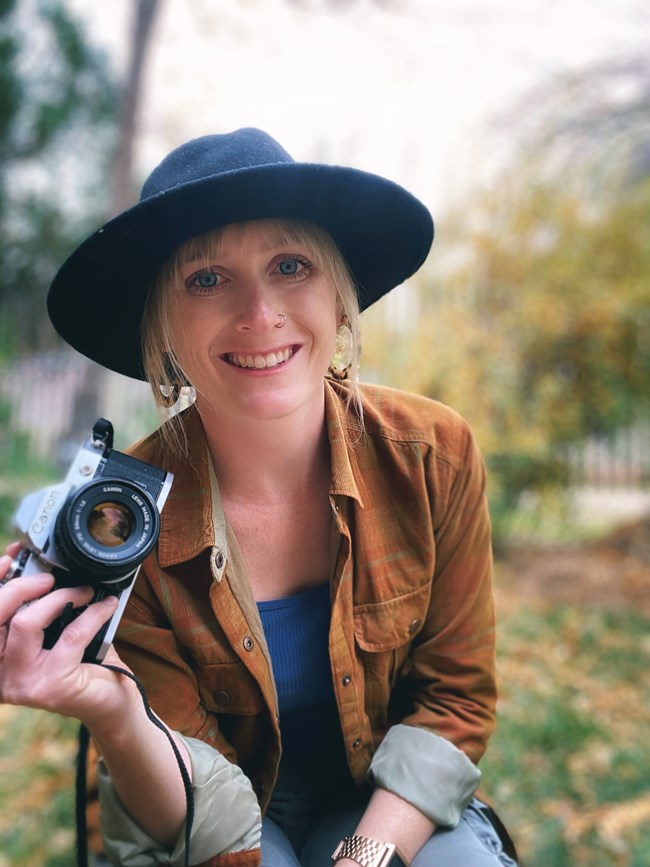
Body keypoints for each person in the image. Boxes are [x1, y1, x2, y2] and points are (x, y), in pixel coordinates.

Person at [0, 128, 518, 867]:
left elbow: (455, 698)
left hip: (385, 789)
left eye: (290, 265)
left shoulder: (433, 456)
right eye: (206, 279)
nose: (260, 311)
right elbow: (197, 804)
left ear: (339, 298)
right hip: (213, 809)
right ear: (163, 329)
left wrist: (364, 856)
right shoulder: (121, 521)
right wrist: (110, 706)